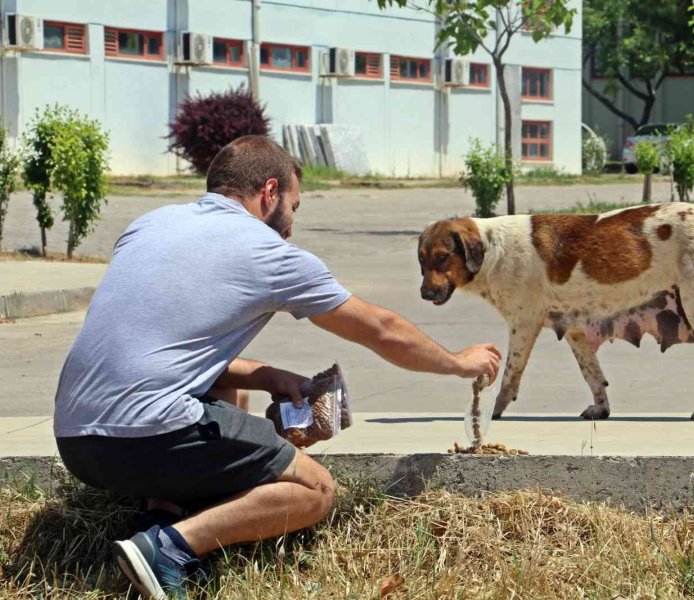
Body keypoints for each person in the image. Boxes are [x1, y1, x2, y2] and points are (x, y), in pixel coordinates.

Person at [53, 135, 501, 599]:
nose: (291, 224)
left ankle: (158, 517)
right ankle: (167, 548)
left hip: (78, 442)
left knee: (225, 392)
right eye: (294, 206)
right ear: (270, 192)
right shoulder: (268, 252)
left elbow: (161, 352)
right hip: (147, 436)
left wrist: (266, 375)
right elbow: (382, 330)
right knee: (314, 491)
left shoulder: (150, 224)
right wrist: (458, 362)